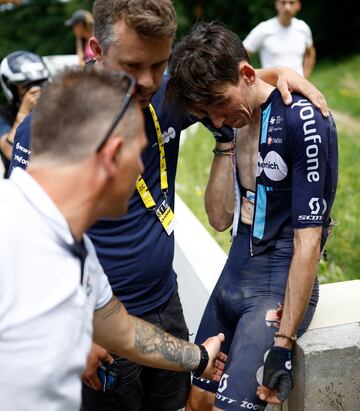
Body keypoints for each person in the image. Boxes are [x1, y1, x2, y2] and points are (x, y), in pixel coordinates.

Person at [9, 1, 330, 410]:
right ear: (96, 50)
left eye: (159, 66)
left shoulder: (162, 94)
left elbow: (233, 85)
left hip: (161, 308)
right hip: (96, 336)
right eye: (133, 65)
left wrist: (280, 73)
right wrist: (74, 331)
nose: (147, 83)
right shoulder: (44, 133)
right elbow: (27, 248)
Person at [0, 67, 227, 411]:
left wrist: (198, 357)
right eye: (137, 153)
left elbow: (123, 332)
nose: (141, 168)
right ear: (111, 156)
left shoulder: (79, 250)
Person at [166, 21, 338, 410]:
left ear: (246, 75)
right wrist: (223, 142)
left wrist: (283, 345)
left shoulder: (301, 118)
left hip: (275, 280)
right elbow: (219, 219)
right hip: (235, 270)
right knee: (195, 401)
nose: (219, 120)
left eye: (220, 107)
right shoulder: (228, 116)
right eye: (209, 114)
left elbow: (307, 241)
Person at [0, 50, 49, 177]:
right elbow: (10, 152)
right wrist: (24, 111)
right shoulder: (3, 115)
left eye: (39, 83)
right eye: (26, 86)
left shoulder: (53, 110)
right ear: (11, 88)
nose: (36, 90)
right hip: (17, 183)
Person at [243, 0, 316, 78]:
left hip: (299, 86)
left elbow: (310, 53)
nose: (287, 7)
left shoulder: (303, 28)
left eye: (291, 3)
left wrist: (305, 76)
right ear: (277, 4)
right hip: (273, 87)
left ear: (298, 5)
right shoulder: (263, 29)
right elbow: (241, 54)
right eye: (283, 2)